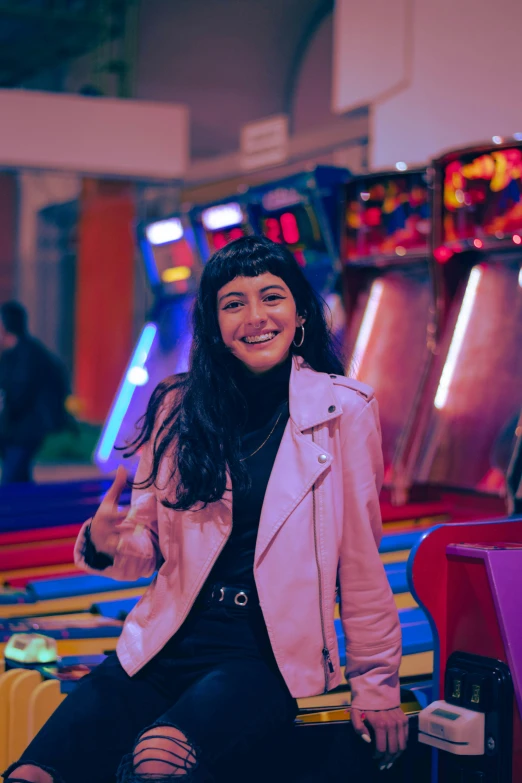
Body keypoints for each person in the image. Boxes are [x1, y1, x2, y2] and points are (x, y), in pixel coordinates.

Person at [4, 236, 407, 783]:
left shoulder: (345, 411)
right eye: (234, 303)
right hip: (166, 638)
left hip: (264, 654)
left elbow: (360, 562)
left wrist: (377, 685)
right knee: (33, 773)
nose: (256, 316)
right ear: (215, 324)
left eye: (272, 297)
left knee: (158, 760)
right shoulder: (177, 407)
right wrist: (107, 544)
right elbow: (145, 547)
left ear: (300, 312)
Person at [0, 301, 72, 485]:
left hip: (25, 431)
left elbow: (19, 394)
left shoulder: (29, 355)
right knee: (19, 481)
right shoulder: (10, 355)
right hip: (15, 431)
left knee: (12, 482)